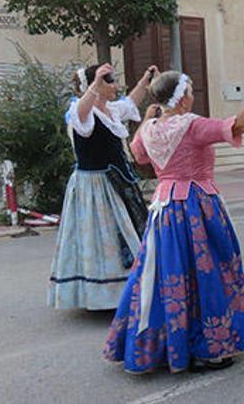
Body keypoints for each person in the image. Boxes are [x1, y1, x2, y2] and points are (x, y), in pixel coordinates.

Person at [104, 70, 244, 374]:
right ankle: (208, 348)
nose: (193, 95)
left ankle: (159, 345)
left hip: (164, 210)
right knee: (210, 272)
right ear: (182, 97)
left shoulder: (150, 129)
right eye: (191, 90)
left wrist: (147, 118)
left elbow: (137, 153)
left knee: (163, 273)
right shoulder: (191, 125)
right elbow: (239, 125)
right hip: (197, 206)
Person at [49, 63, 153, 310]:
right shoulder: (81, 112)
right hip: (94, 188)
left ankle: (132, 289)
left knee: (129, 232)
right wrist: (95, 83)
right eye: (109, 82)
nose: (114, 86)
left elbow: (131, 102)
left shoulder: (111, 110)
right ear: (94, 86)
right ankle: (105, 294)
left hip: (118, 182)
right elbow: (82, 114)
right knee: (102, 238)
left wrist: (146, 80)